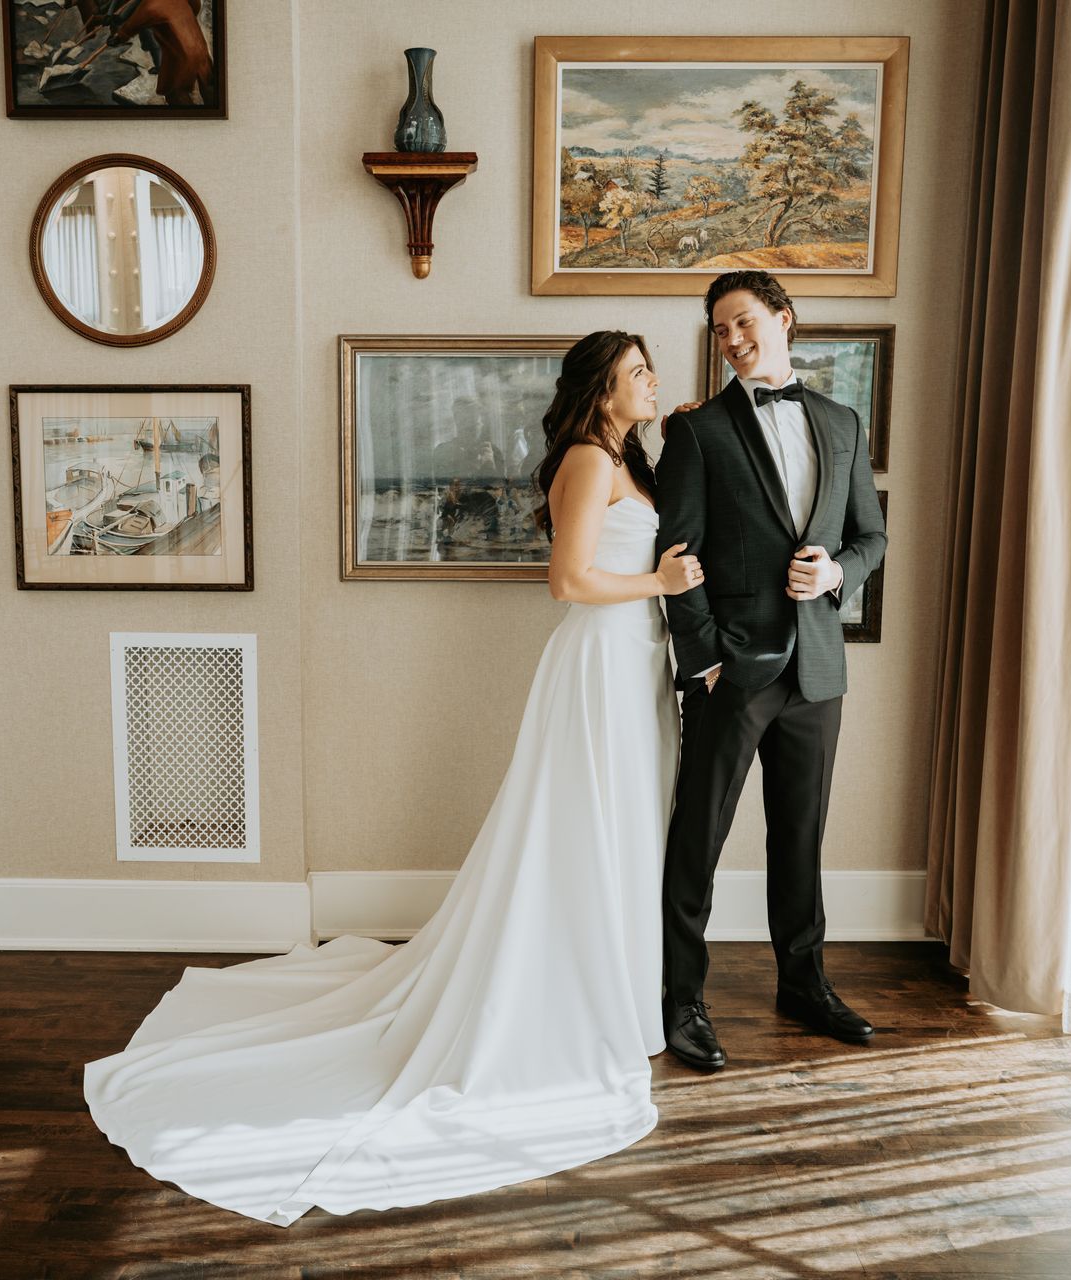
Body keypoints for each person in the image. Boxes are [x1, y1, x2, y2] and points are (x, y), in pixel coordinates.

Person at [83, 331, 704, 1225]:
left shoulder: (626, 456)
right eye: (638, 372)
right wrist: (658, 579)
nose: (652, 381)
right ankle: (573, 999)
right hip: (599, 666)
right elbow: (566, 582)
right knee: (587, 830)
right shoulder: (583, 459)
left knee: (630, 833)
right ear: (601, 391)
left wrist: (681, 439)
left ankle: (619, 994)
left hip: (637, 664)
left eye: (650, 371)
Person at [654, 270, 889, 1070]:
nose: (732, 340)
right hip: (734, 670)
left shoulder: (840, 420)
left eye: (744, 322)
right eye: (719, 330)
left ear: (785, 320)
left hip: (819, 667)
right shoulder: (696, 432)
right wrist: (707, 659)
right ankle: (681, 999)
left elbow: (872, 539)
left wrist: (835, 576)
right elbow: (675, 555)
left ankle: (804, 983)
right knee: (699, 838)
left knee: (801, 837)